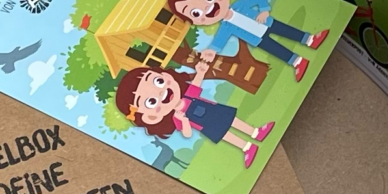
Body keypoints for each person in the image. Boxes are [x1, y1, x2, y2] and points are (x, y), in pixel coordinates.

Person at [166, 0, 327, 83]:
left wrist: (264, 11)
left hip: (266, 23)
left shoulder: (240, 5)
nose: (207, 8)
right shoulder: (225, 27)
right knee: (277, 50)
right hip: (257, 39)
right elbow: (220, 40)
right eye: (195, 13)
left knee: (288, 32)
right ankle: (297, 62)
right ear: (194, 21)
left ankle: (310, 39)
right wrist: (211, 51)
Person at [114, 59, 274, 169]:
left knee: (232, 120)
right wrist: (183, 121)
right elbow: (187, 133)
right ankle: (247, 147)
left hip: (214, 110)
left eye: (158, 81)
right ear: (151, 117)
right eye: (151, 101)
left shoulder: (188, 94)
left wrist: (201, 72)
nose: (161, 92)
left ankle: (255, 132)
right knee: (224, 134)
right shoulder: (176, 117)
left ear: (165, 75)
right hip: (205, 125)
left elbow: (196, 86)